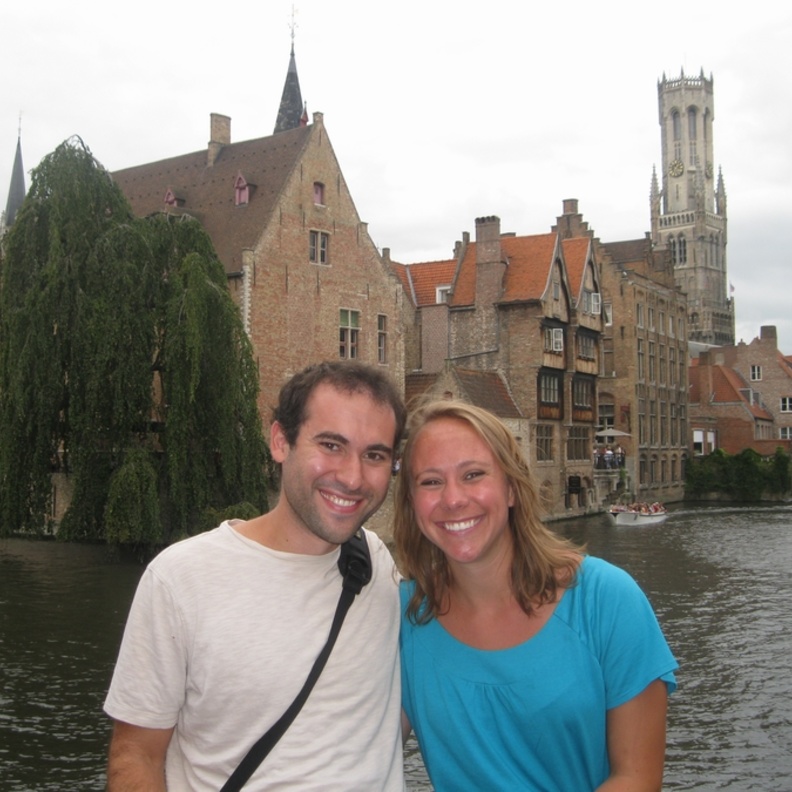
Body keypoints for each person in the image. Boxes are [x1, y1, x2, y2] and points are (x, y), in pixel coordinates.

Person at [104, 361, 407, 791]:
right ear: (280, 441)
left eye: (374, 455)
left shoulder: (380, 568)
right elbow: (136, 755)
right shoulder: (180, 579)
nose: (353, 477)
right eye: (331, 445)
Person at [394, 400, 677, 792]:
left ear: (511, 488)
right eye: (430, 481)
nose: (453, 498)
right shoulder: (402, 618)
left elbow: (637, 779)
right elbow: (358, 753)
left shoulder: (605, 600)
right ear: (411, 503)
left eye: (473, 475)